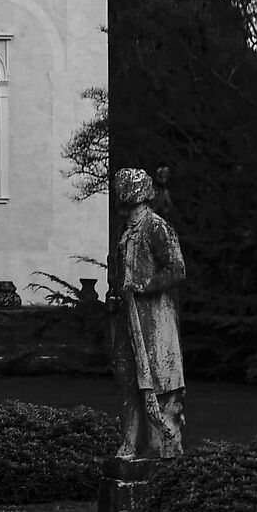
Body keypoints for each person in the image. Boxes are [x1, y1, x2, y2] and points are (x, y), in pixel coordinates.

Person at [108, 167, 186, 460]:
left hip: (153, 319)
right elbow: (118, 271)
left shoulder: (156, 228)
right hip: (128, 317)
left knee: (157, 381)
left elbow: (176, 268)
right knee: (128, 379)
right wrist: (115, 294)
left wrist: (145, 286)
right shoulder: (124, 231)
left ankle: (162, 446)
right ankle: (128, 444)